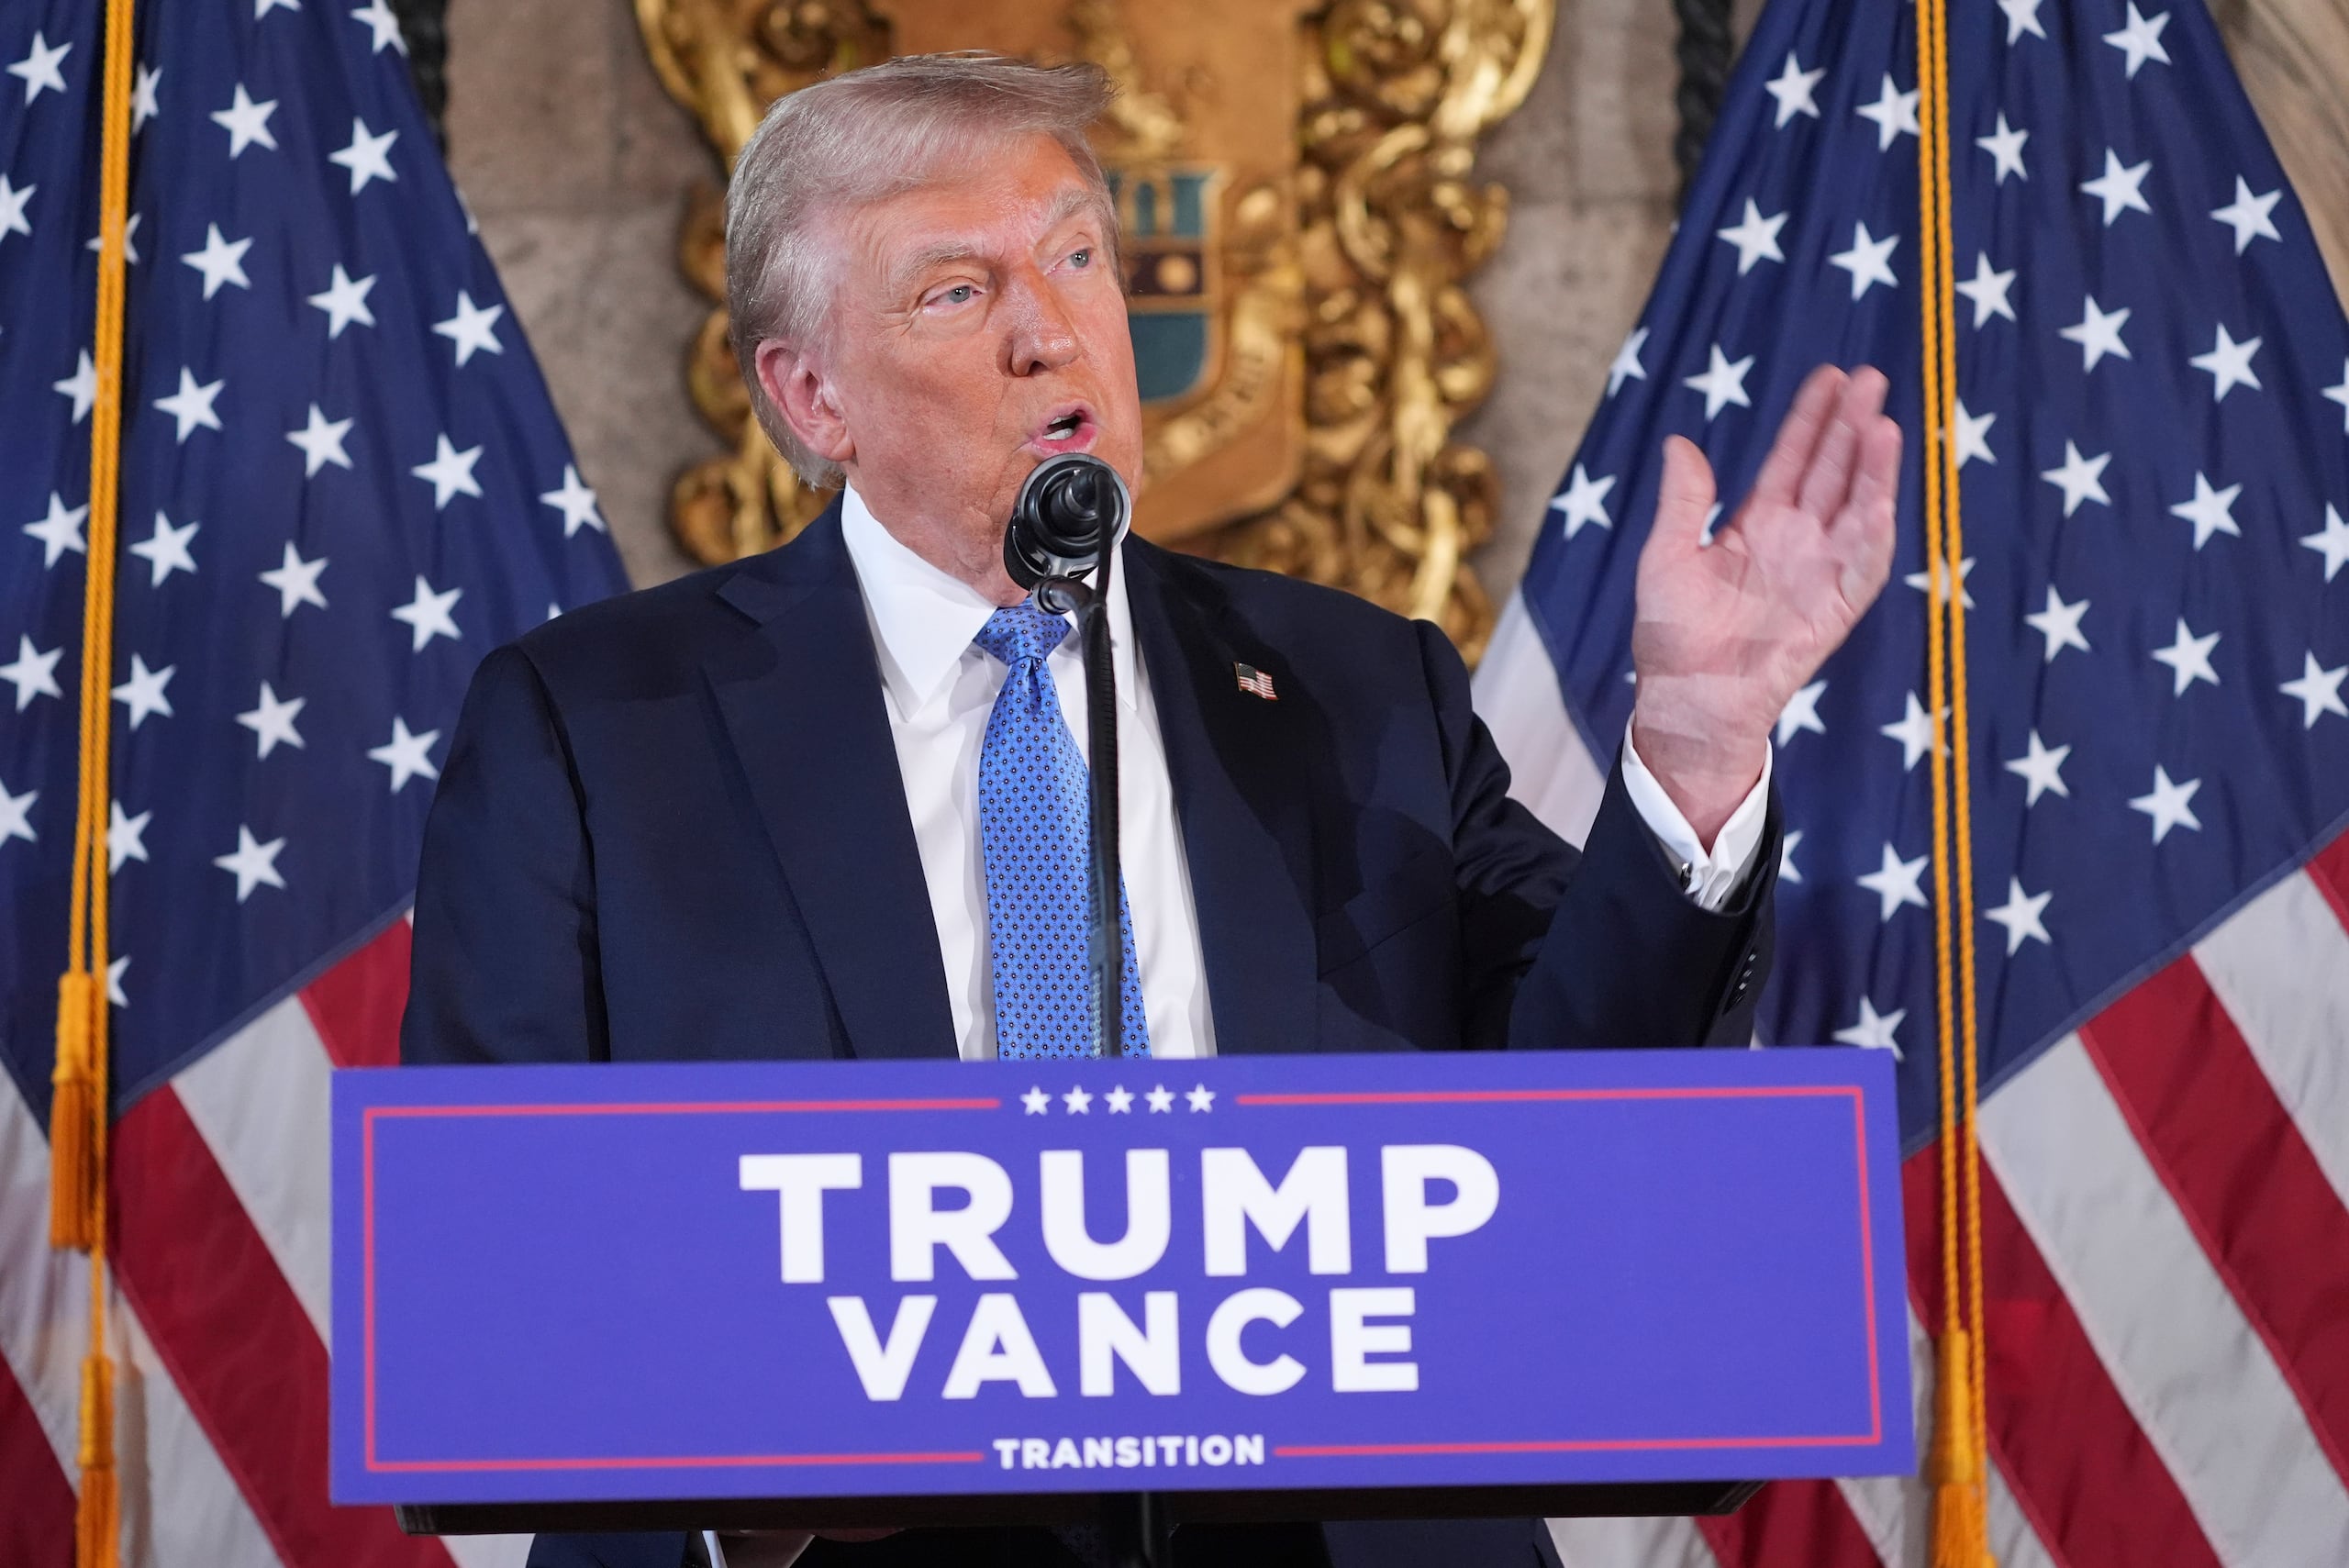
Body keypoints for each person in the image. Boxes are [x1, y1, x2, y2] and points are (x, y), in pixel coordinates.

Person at [401, 51, 1899, 1568]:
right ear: (811, 393)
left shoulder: (1356, 687)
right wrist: (735, 1491)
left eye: (1076, 258)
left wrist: (1698, 747)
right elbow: (502, 1281)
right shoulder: (593, 736)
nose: (1051, 332)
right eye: (957, 291)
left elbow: (1597, 1118)